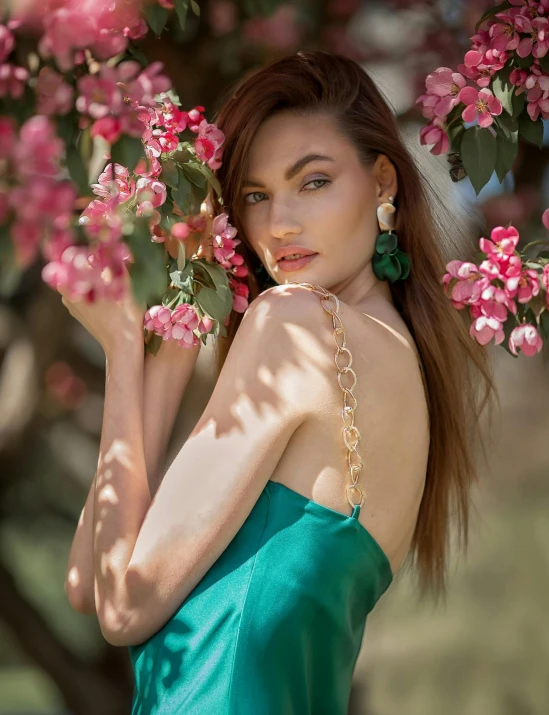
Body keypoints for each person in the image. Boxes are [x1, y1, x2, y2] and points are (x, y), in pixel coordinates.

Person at [64, 50, 498, 714]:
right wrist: (176, 345)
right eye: (255, 196)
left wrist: (122, 348)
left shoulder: (295, 322)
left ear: (383, 181)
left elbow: (121, 604)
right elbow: (87, 579)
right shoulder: (402, 363)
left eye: (314, 181)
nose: (280, 225)